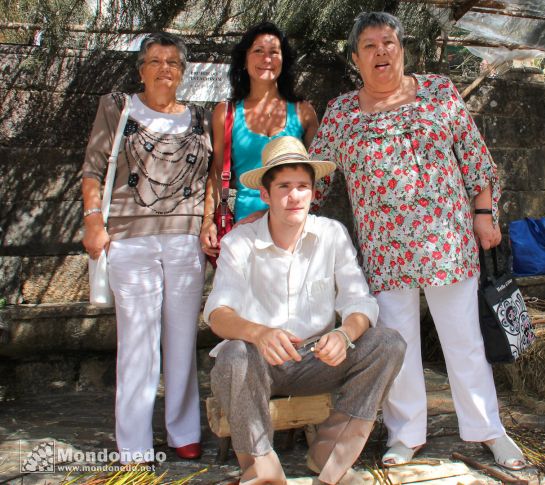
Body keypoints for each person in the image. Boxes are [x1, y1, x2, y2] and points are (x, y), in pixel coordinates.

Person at [309, 12, 527, 470]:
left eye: (388, 42)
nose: (381, 52)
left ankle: (489, 429)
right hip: (385, 251)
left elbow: (475, 158)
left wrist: (484, 213)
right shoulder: (342, 113)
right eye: (369, 46)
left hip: (447, 243)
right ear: (356, 59)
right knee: (398, 345)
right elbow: (316, 177)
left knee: (464, 340)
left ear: (403, 50)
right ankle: (406, 435)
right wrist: (276, 202)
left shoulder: (438, 93)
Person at [205, 136, 406, 485]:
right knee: (233, 355)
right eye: (284, 186)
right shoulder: (240, 242)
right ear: (265, 195)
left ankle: (330, 459)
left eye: (302, 186)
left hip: (318, 359)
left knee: (388, 343)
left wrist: (344, 334)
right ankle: (262, 472)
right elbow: (218, 313)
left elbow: (360, 302)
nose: (294, 196)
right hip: (261, 362)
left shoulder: (331, 234)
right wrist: (260, 333)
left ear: (313, 192)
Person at [82, 32, 209, 462]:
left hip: (184, 238)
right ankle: (134, 444)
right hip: (130, 240)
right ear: (141, 69)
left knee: (181, 338)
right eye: (155, 61)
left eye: (173, 62)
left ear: (182, 72)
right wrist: (92, 220)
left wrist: (208, 222)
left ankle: (183, 430)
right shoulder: (117, 107)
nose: (164, 69)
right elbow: (93, 170)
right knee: (137, 339)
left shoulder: (199, 117)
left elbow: (211, 178)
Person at [200, 21, 319, 260]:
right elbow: (215, 173)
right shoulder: (226, 112)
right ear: (244, 60)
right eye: (258, 51)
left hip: (295, 224)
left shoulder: (304, 112)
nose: (267, 59)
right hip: (245, 227)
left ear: (283, 60)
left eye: (274, 52)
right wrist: (207, 222)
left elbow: (318, 175)